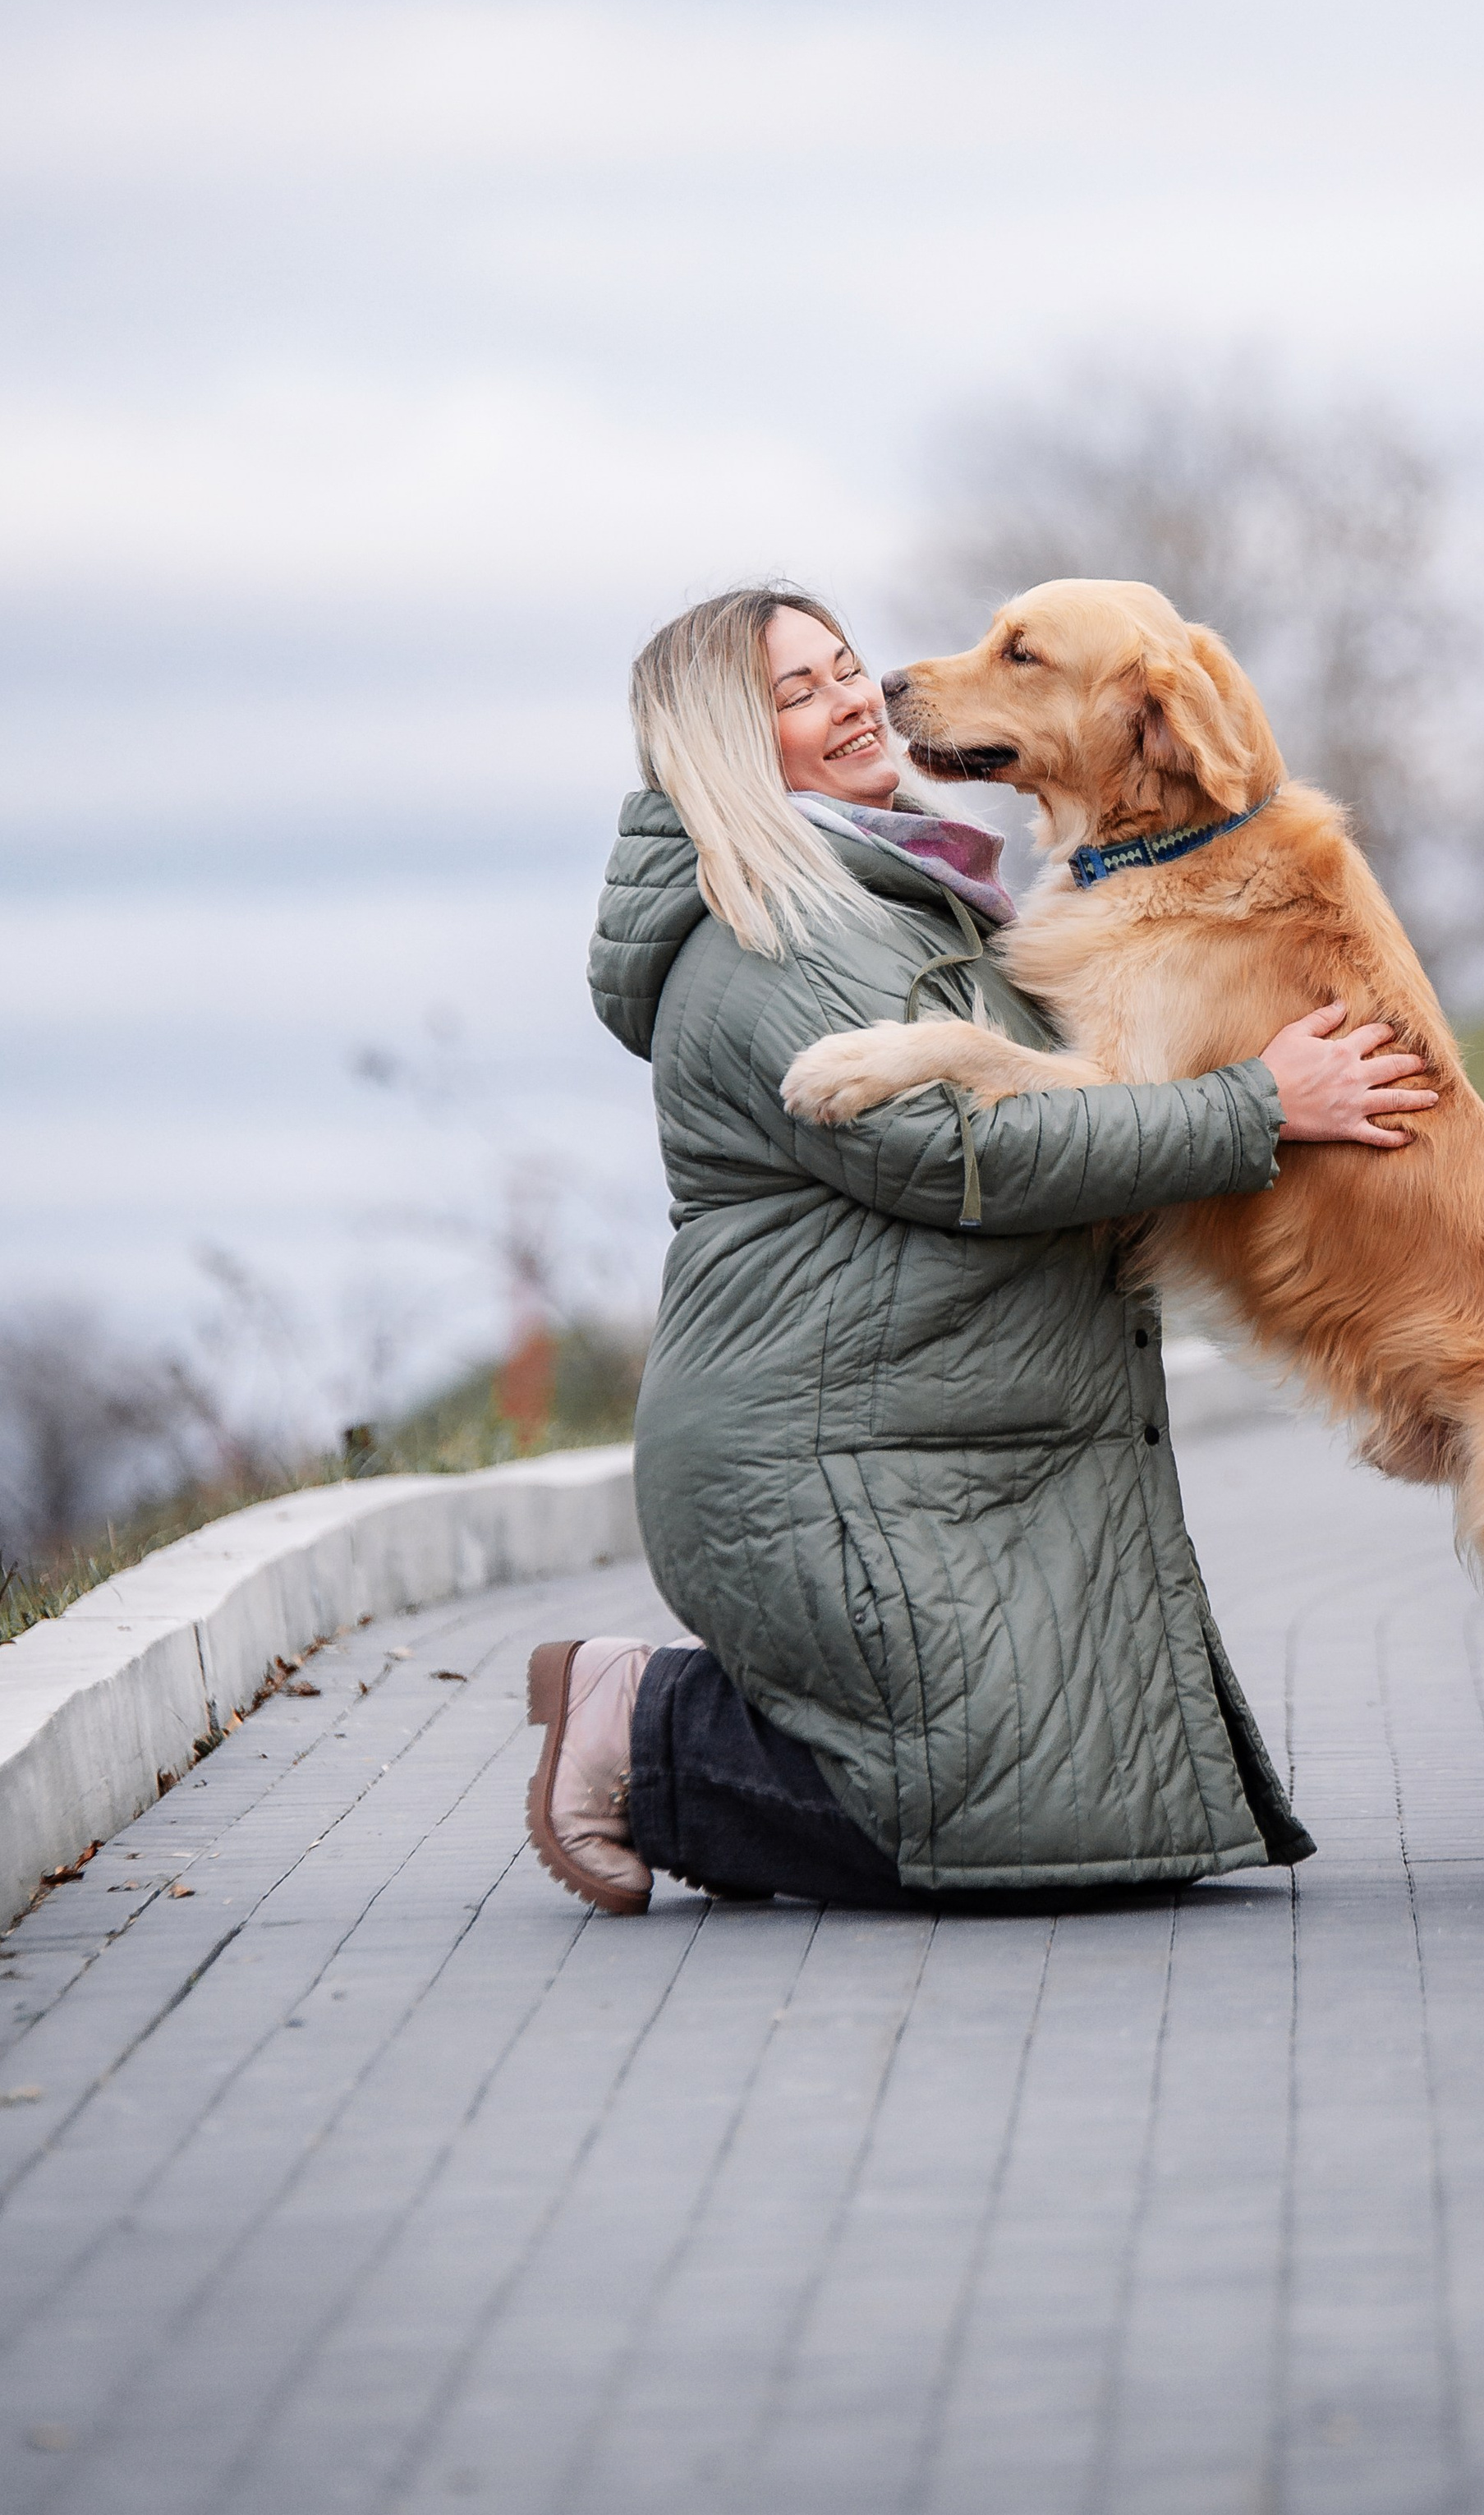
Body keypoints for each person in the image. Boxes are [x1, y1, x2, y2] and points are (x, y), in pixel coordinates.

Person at [526, 583, 1437, 1913]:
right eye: (799, 692)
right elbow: (962, 1151)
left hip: (928, 1436)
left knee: (1120, 1818)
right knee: (1029, 1829)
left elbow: (1083, 1079)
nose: (853, 698)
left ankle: (732, 1734)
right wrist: (1259, 1108)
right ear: (722, 740)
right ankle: (644, 1723)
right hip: (818, 1458)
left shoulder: (904, 892)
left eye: (844, 668)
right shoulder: (775, 931)